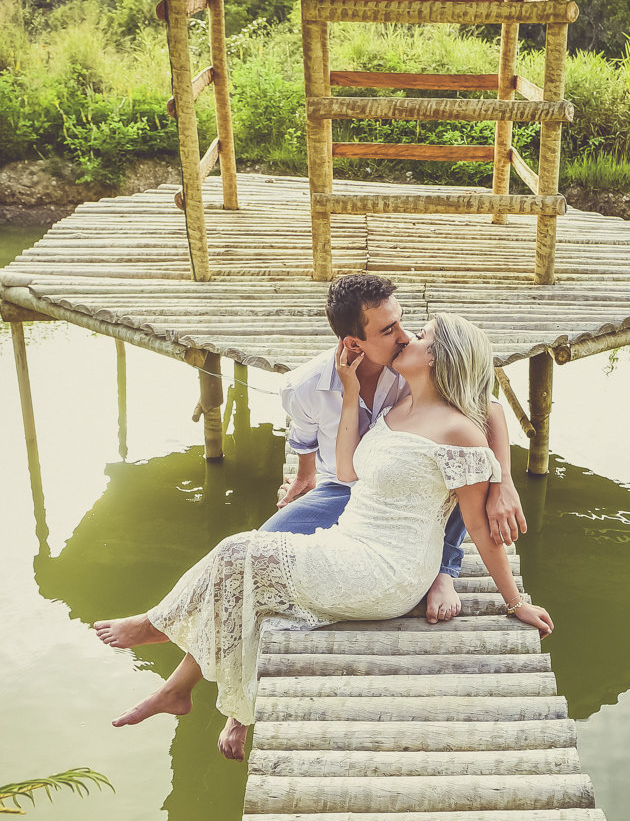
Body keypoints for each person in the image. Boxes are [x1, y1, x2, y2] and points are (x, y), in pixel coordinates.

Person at [94, 313, 553, 761]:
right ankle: (182, 689)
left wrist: (515, 602)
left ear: (436, 357)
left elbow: (477, 526)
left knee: (240, 553)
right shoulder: (402, 406)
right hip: (346, 542)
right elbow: (350, 470)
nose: (407, 337)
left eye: (421, 335)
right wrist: (350, 392)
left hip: (389, 570)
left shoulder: (459, 431)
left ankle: (156, 628)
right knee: (246, 570)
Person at [262, 273, 526, 623]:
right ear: (354, 344)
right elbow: (306, 436)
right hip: (345, 487)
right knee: (265, 541)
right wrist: (305, 475)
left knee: (468, 470)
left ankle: (444, 570)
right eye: (388, 330)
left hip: (409, 497)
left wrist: (504, 480)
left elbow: (484, 403)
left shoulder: (411, 368)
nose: (404, 336)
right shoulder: (301, 387)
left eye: (403, 322)